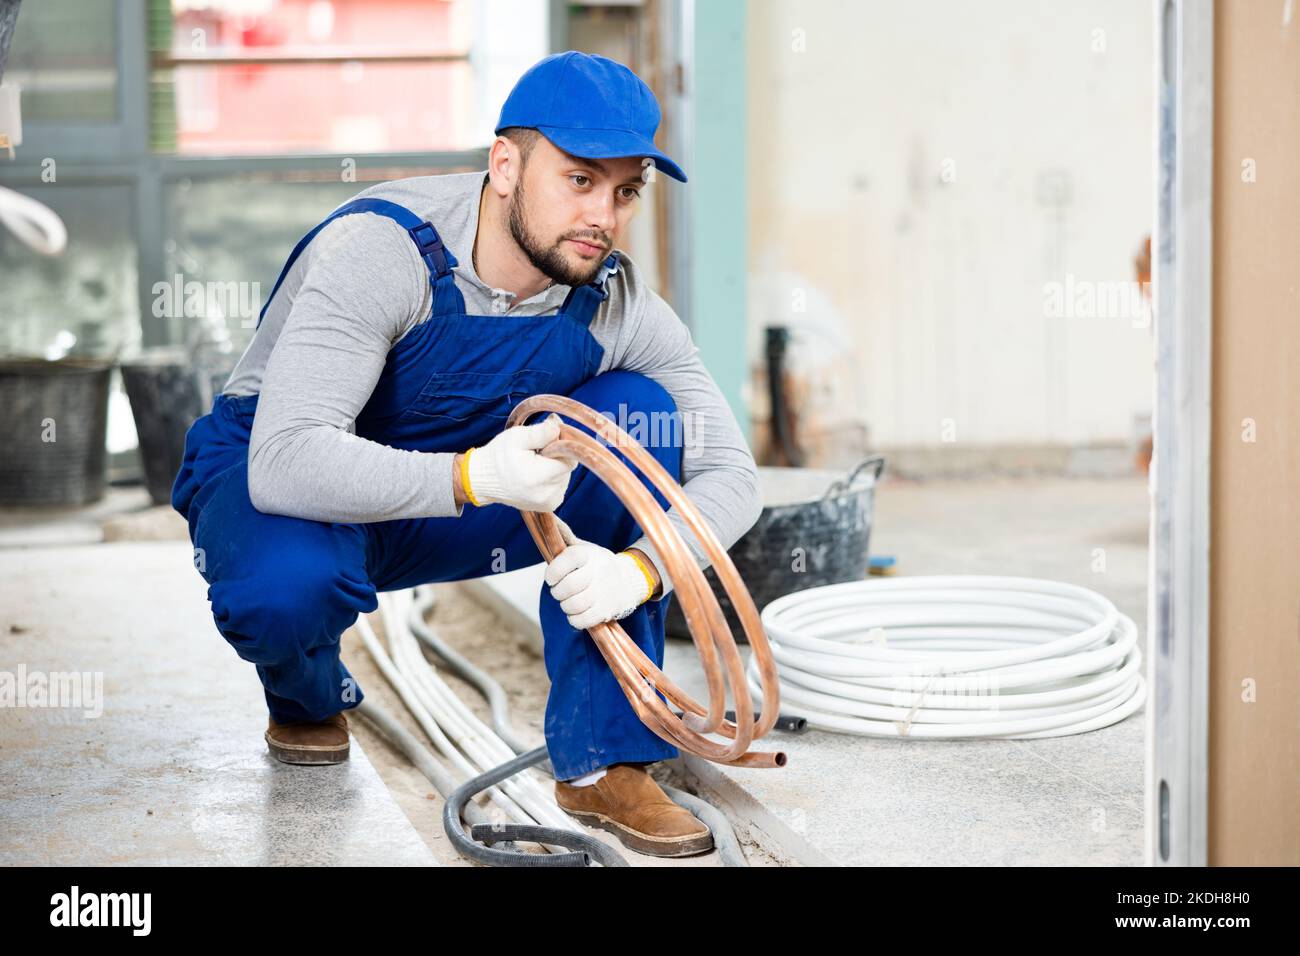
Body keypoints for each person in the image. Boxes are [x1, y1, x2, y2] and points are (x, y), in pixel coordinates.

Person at [172, 50, 762, 859]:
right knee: (284, 590)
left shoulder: (617, 302)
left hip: (458, 505)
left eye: (627, 191)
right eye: (580, 180)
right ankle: (305, 691)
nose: (605, 215)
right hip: (292, 485)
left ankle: (603, 761)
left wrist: (644, 569)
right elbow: (286, 459)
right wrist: (473, 474)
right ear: (506, 165)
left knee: (640, 418)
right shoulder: (385, 251)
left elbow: (734, 476)